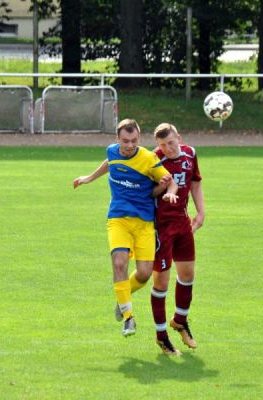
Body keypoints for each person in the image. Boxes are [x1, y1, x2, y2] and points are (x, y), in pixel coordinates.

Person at [73, 119, 178, 337]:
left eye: (134, 140)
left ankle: (123, 299)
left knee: (144, 273)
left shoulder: (149, 158)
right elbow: (108, 162)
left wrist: (166, 188)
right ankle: (129, 318)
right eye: (125, 141)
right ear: (117, 139)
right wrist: (89, 178)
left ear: (139, 138)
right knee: (119, 264)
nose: (130, 145)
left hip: (144, 221)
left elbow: (169, 181)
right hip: (118, 218)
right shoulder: (112, 151)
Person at [150, 123, 205, 356]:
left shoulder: (190, 154)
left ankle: (180, 321)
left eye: (171, 143)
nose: (168, 148)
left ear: (179, 138)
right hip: (161, 228)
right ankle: (162, 337)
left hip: (183, 223)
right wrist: (163, 190)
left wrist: (201, 212)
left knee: (187, 274)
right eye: (162, 145)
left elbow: (195, 183)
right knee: (161, 283)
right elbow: (146, 192)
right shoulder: (153, 159)